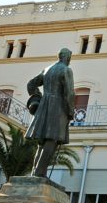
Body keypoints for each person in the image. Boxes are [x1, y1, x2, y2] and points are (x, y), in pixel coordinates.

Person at [26, 48, 75, 177]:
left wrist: (37, 97)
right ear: (67, 58)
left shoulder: (47, 69)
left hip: (44, 106)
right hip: (58, 108)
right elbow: (69, 93)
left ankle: (34, 172)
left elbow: (31, 84)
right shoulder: (66, 70)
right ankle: (39, 172)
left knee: (42, 141)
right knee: (52, 140)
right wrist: (70, 111)